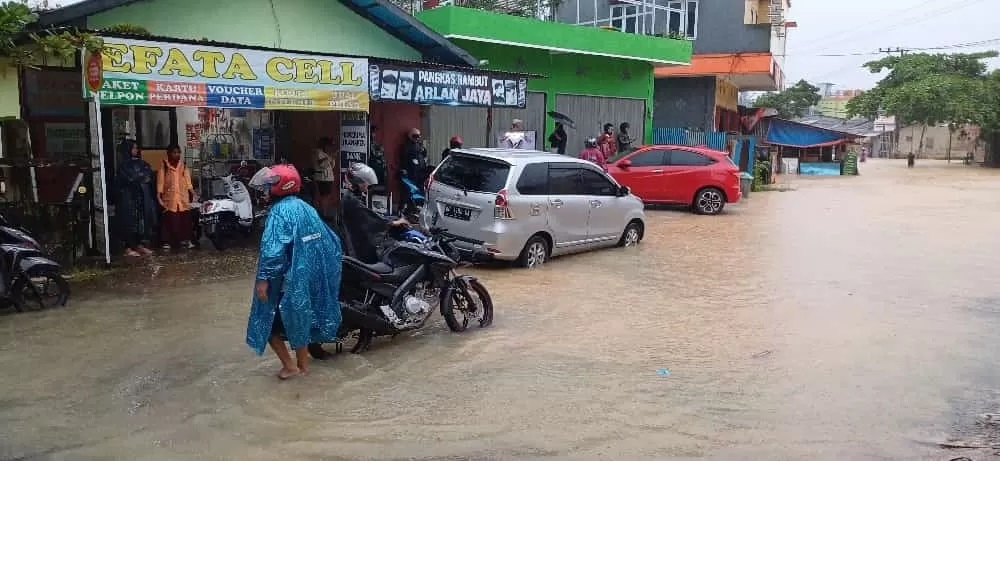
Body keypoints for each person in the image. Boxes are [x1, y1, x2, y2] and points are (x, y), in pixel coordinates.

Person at [246, 164, 343, 380]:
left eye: (269, 186)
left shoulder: (278, 213)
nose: (265, 191)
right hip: (304, 280)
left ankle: (290, 367)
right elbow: (331, 243)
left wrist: (263, 280)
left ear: (279, 186)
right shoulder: (306, 208)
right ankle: (304, 368)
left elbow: (272, 252)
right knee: (300, 321)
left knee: (267, 324)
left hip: (285, 281)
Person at [111, 138, 157, 258]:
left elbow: (148, 174)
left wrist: (140, 178)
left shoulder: (141, 163)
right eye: (134, 148)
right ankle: (128, 247)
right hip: (128, 198)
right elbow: (129, 178)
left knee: (141, 221)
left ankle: (139, 245)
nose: (136, 150)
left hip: (140, 197)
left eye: (137, 148)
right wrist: (140, 178)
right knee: (129, 222)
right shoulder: (123, 165)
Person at [157, 143, 195, 250]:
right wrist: (159, 195)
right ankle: (167, 242)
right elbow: (160, 182)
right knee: (170, 219)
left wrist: (193, 193)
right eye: (174, 152)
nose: (177, 155)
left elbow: (188, 181)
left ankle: (185, 240)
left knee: (184, 219)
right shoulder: (164, 165)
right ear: (169, 153)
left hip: (182, 197)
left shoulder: (183, 165)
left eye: (178, 152)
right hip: (170, 197)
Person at [400, 128, 428, 210]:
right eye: (415, 136)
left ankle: (417, 207)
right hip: (411, 172)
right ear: (410, 136)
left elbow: (424, 154)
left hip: (420, 172)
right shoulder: (407, 146)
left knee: (420, 190)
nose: (417, 138)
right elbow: (404, 158)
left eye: (419, 136)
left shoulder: (419, 145)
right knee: (409, 191)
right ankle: (405, 208)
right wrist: (405, 169)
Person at [313, 137, 337, 212]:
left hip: (328, 178)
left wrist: (332, 157)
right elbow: (322, 164)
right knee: (324, 197)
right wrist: (330, 157)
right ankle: (323, 212)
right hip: (322, 178)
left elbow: (332, 166)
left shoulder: (326, 154)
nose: (330, 148)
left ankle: (323, 211)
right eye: (329, 146)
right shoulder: (318, 152)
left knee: (327, 196)